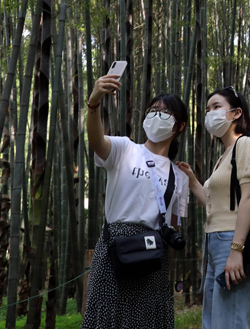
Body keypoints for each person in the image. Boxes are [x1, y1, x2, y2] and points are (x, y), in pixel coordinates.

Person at [81, 73, 190, 329]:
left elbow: (172, 228)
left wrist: (166, 275)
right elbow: (96, 140)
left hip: (153, 258)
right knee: (107, 319)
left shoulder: (179, 176)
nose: (156, 116)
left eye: (165, 113)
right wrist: (94, 102)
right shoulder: (125, 149)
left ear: (180, 126)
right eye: (152, 111)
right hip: (114, 249)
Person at [179, 86, 250, 329]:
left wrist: (237, 249)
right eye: (207, 109)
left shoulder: (244, 144)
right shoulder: (224, 155)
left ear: (236, 113)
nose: (210, 113)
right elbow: (215, 206)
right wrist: (194, 181)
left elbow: (249, 199)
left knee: (231, 322)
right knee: (214, 323)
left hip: (232, 241)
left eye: (216, 107)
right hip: (214, 242)